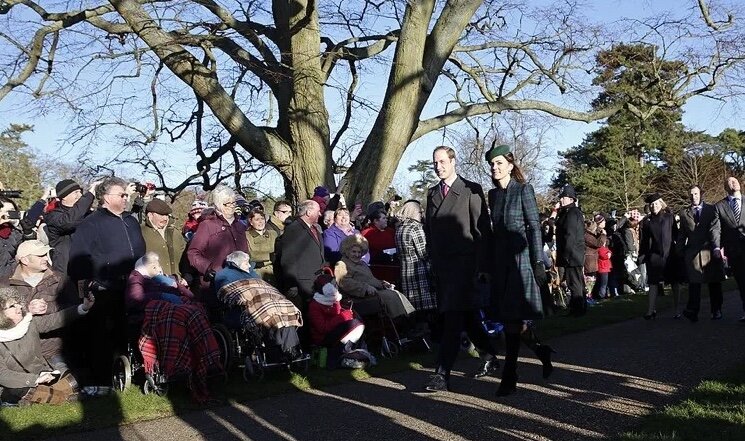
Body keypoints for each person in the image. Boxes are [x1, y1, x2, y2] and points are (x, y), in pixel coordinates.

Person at [484, 144, 554, 396]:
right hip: (501, 264)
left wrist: (538, 263)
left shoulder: (524, 190)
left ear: (511, 166)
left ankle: (509, 375)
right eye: (492, 164)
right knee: (509, 320)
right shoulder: (493, 195)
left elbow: (535, 228)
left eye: (500, 163)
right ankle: (540, 351)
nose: (495, 167)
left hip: (522, 261)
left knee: (513, 320)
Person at [423, 146, 492, 392]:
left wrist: (482, 266)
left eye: (442, 161)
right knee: (468, 318)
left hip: (465, 267)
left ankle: (441, 374)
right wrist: (432, 259)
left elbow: (481, 230)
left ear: (453, 161)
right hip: (443, 268)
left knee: (452, 320)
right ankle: (490, 354)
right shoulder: (432, 193)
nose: (438, 166)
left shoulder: (470, 189)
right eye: (435, 162)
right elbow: (429, 231)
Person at [67, 177, 146, 384]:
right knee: (104, 336)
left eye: (126, 195)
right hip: (105, 288)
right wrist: (91, 284)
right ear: (106, 197)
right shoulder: (91, 223)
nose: (126, 198)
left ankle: (134, 370)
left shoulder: (130, 220)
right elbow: (78, 259)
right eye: (122, 195)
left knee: (133, 330)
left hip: (134, 285)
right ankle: (102, 380)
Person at [126, 252, 223, 402]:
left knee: (196, 310)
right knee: (182, 315)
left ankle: (206, 358)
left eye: (158, 265)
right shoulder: (137, 279)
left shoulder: (165, 278)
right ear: (145, 267)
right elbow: (135, 299)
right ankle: (179, 363)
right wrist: (161, 295)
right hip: (153, 315)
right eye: (155, 266)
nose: (159, 268)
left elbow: (189, 295)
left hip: (174, 307)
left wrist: (176, 286)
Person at [0, 286, 94, 405]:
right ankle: (60, 398)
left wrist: (83, 308)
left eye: (18, 303)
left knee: (76, 379)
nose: (19, 307)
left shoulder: (28, 322)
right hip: (19, 384)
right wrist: (35, 380)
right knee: (22, 391)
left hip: (44, 373)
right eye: (12, 306)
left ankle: (49, 397)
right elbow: (2, 375)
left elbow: (55, 320)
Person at [214, 251, 304, 361]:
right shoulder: (223, 275)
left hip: (267, 300)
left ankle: (291, 349)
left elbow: (264, 288)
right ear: (236, 263)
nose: (248, 265)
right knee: (269, 314)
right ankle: (277, 352)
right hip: (247, 307)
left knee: (286, 310)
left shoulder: (252, 273)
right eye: (246, 263)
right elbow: (228, 294)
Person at [7, 240, 78, 372]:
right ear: (25, 260)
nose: (46, 258)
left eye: (46, 254)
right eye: (40, 256)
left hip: (55, 351)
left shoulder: (60, 280)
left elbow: (75, 308)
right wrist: (27, 309)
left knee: (67, 387)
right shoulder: (6, 284)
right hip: (19, 353)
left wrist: (49, 307)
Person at [186, 185, 248, 302]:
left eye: (233, 202)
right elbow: (193, 252)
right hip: (215, 282)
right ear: (218, 205)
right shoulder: (207, 225)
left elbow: (245, 251)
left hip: (240, 280)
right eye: (227, 203)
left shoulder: (239, 225)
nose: (231, 206)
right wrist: (207, 268)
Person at [334, 234, 415, 320]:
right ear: (347, 251)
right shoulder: (341, 264)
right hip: (357, 299)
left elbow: (370, 280)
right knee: (390, 296)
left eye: (359, 252)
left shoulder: (362, 264)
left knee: (396, 292)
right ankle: (400, 321)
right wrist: (365, 288)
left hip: (372, 294)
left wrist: (383, 284)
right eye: (354, 252)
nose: (357, 255)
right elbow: (344, 282)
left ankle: (408, 319)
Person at [679, 185, 725, 322]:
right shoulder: (684, 213)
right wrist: (680, 251)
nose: (694, 197)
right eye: (691, 194)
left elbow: (716, 230)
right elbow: (682, 234)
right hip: (692, 253)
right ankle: (693, 310)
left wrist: (718, 247)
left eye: (696, 194)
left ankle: (716, 310)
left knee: (714, 282)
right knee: (694, 284)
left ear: (701, 194)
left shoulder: (711, 210)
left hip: (710, 251)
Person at [307, 272, 365, 368]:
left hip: (335, 331)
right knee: (354, 324)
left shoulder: (334, 300)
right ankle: (339, 356)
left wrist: (346, 314)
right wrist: (343, 317)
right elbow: (322, 328)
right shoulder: (314, 305)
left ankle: (349, 352)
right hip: (323, 337)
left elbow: (337, 314)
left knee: (358, 322)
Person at [274, 200, 325, 304]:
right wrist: (292, 284)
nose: (320, 214)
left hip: (315, 279)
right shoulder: (294, 229)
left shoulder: (313, 228)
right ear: (309, 212)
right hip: (302, 282)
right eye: (318, 211)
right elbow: (288, 258)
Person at [639, 193, 680, 320]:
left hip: (670, 255)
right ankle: (651, 310)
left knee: (674, 283)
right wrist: (642, 256)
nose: (654, 206)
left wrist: (679, 250)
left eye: (656, 203)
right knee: (653, 283)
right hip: (654, 256)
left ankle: (677, 309)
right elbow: (644, 240)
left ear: (661, 204)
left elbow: (676, 235)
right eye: (651, 204)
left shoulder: (669, 217)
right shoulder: (646, 222)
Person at [44, 179, 97, 274]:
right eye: (75, 192)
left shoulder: (88, 214)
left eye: (81, 192)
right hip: (66, 270)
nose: (80, 195)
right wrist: (89, 195)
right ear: (64, 196)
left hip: (89, 268)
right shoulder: (53, 216)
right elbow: (69, 222)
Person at [395, 200, 437, 317]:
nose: (421, 214)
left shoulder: (400, 228)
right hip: (420, 273)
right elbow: (424, 252)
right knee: (427, 310)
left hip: (405, 271)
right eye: (419, 211)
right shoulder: (415, 228)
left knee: (414, 310)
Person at [713, 177, 745, 322]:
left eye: (735, 180)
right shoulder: (720, 206)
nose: (734, 182)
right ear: (726, 187)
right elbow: (716, 229)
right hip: (734, 250)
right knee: (742, 282)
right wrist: (717, 247)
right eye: (730, 181)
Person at [553, 183, 586, 316]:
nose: (561, 199)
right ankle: (579, 307)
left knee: (574, 283)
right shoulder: (568, 212)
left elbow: (570, 235)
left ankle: (577, 309)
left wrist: (566, 255)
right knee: (577, 282)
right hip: (573, 253)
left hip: (572, 254)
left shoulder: (572, 213)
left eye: (564, 197)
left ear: (571, 199)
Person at [141, 199, 186, 278]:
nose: (165, 218)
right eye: (161, 215)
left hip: (178, 283)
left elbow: (186, 256)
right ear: (150, 215)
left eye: (166, 215)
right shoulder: (141, 232)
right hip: (152, 285)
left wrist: (186, 277)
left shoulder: (175, 233)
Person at [246, 207, 278, 283]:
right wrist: (270, 256)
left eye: (262, 219)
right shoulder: (247, 236)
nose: (260, 222)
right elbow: (250, 255)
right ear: (251, 222)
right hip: (256, 274)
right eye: (257, 220)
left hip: (274, 273)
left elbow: (278, 253)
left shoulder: (273, 234)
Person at [0, 196, 23, 280]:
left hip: (9, 279)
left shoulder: (15, 232)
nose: (7, 214)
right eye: (3, 211)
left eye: (11, 211)